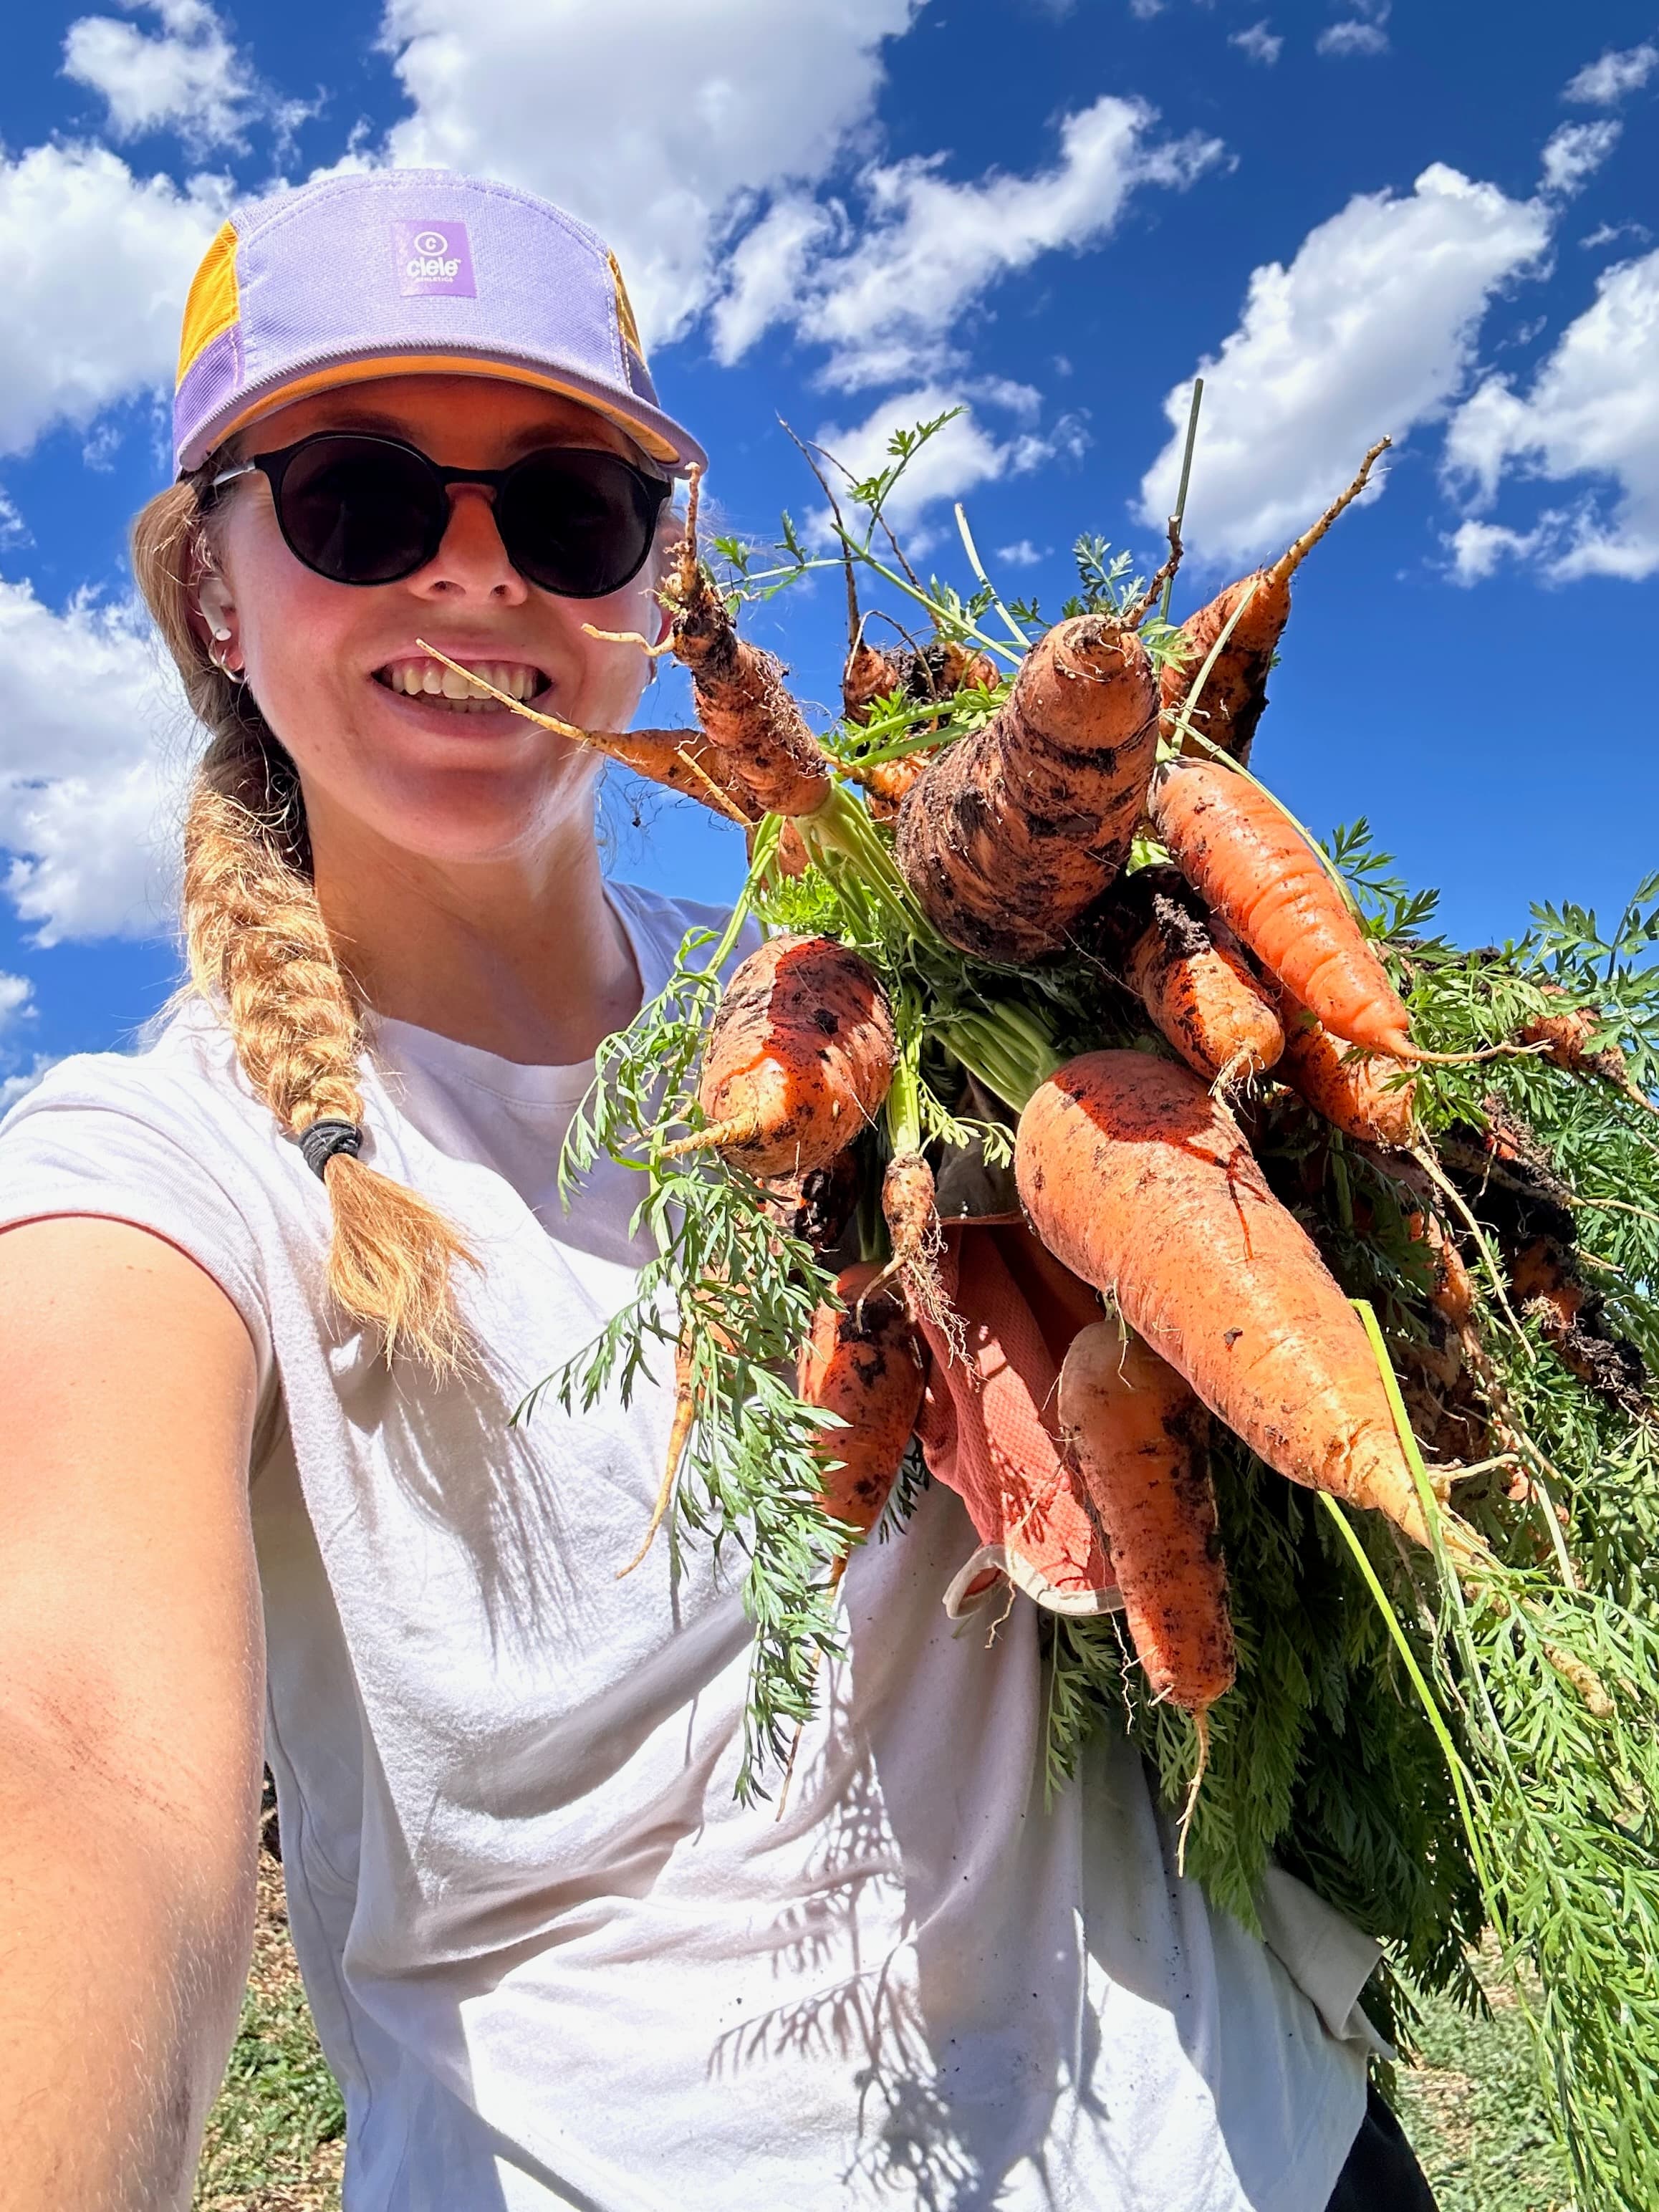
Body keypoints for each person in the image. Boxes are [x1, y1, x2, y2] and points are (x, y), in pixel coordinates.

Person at [0, 170, 1438, 2211]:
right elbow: (65, 1742)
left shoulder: (866, 975)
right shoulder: (156, 1172)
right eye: (356, 497)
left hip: (1272, 2144)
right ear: (217, 594)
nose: (478, 572)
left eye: (567, 506)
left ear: (649, 581)